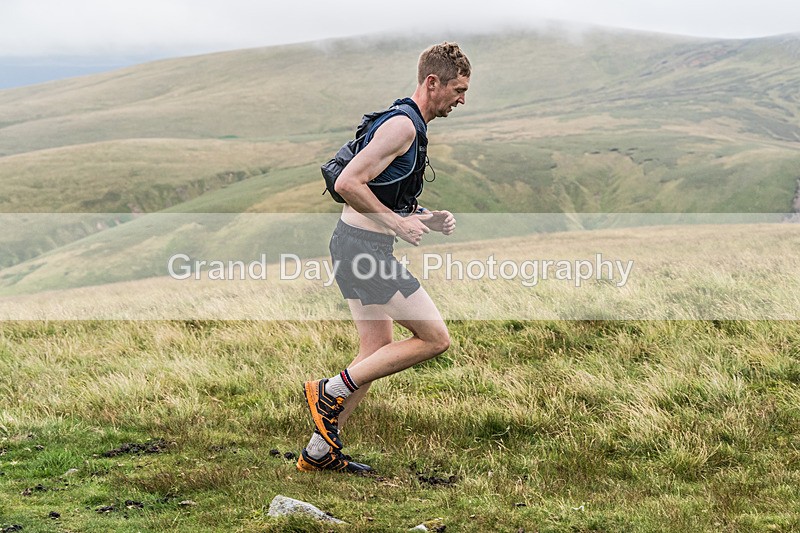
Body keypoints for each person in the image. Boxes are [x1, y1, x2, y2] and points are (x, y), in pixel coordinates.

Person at [297, 42, 471, 473]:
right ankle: (329, 389)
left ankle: (319, 454)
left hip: (356, 243)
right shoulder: (402, 127)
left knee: (376, 349)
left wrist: (424, 218)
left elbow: (382, 191)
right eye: (458, 89)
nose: (462, 100)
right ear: (433, 83)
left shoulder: (408, 124)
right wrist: (397, 225)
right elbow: (349, 184)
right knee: (435, 339)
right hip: (363, 250)